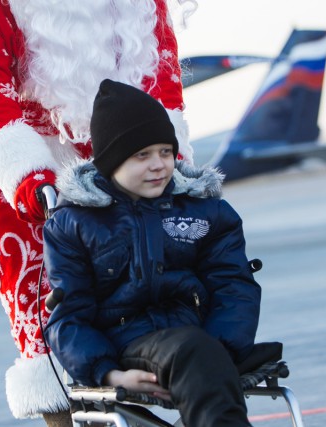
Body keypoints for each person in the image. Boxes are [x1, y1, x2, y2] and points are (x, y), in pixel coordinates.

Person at [0, 0, 197, 423]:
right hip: (29, 176)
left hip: (132, 168)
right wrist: (30, 178)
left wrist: (173, 159)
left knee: (145, 312)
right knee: (55, 346)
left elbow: (161, 69)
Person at [43, 79, 262, 427]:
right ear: (110, 162)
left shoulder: (206, 212)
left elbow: (234, 286)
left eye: (165, 151)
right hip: (125, 344)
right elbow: (69, 317)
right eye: (141, 155)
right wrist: (108, 373)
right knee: (192, 350)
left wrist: (221, 349)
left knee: (195, 349)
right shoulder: (75, 225)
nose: (158, 164)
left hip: (201, 341)